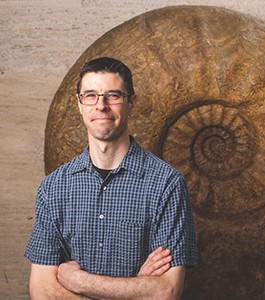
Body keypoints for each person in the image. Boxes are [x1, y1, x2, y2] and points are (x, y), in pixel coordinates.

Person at [25, 57, 198, 299]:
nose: (101, 105)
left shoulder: (167, 184)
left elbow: (165, 292)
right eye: (90, 95)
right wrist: (136, 287)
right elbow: (42, 292)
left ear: (131, 103)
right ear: (79, 104)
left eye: (113, 95)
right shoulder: (54, 188)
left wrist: (80, 281)